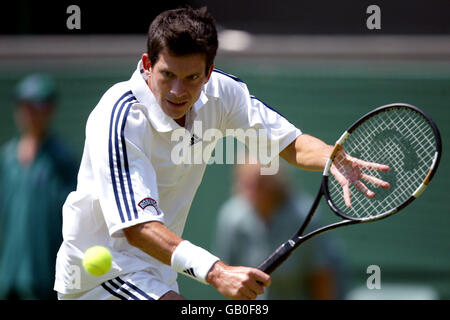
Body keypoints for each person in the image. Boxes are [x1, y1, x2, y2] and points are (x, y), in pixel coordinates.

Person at [54, 7, 389, 300]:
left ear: (209, 73)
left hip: (160, 269)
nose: (177, 91)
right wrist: (216, 272)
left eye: (191, 78)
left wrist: (332, 157)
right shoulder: (120, 117)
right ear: (147, 64)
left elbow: (288, 144)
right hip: (103, 272)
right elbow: (137, 228)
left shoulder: (223, 94)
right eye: (167, 75)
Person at [213, 161, 347, 299]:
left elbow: (322, 276)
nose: (253, 191)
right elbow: (229, 275)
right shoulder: (231, 217)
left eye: (260, 183)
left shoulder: (302, 214)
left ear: (274, 183)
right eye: (247, 184)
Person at [0, 73, 78, 299]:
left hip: (45, 277)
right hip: (9, 276)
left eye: (36, 106)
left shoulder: (62, 159)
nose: (29, 113)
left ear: (49, 110)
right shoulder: (6, 157)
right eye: (23, 105)